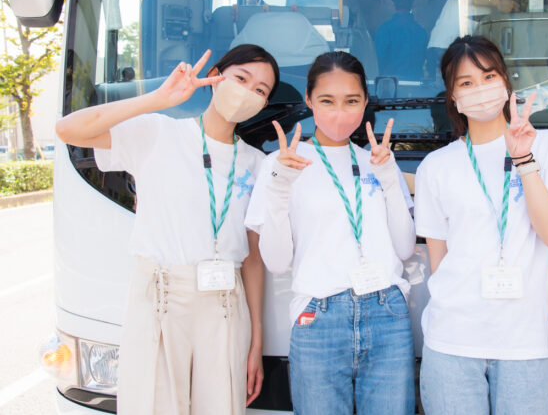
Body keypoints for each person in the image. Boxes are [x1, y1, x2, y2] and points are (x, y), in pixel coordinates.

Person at [54, 45, 279, 414]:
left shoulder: (256, 163)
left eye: (261, 91)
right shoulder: (157, 132)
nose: (248, 92)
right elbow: (68, 130)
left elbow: (253, 257)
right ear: (216, 76)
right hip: (160, 295)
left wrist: (256, 339)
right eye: (241, 78)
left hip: (226, 304)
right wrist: (158, 99)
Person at [245, 51, 416, 415]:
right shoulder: (281, 163)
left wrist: (388, 178)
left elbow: (403, 249)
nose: (340, 112)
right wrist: (279, 188)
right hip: (318, 316)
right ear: (309, 100)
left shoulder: (378, 161)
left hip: (387, 311)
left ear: (366, 102)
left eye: (352, 100)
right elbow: (276, 262)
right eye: (327, 100)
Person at [414, 35, 548, 414]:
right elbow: (439, 264)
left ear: (505, 82)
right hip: (451, 343)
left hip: (524, 344)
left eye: (488, 77)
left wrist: (524, 160)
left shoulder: (547, 145)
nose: (480, 89)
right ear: (453, 97)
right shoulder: (435, 167)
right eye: (466, 83)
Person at [374, 0, 429, 80]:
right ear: (413, 2)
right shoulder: (421, 32)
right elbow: (423, 61)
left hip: (390, 90)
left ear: (392, 1)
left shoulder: (384, 30)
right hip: (416, 90)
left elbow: (379, 62)